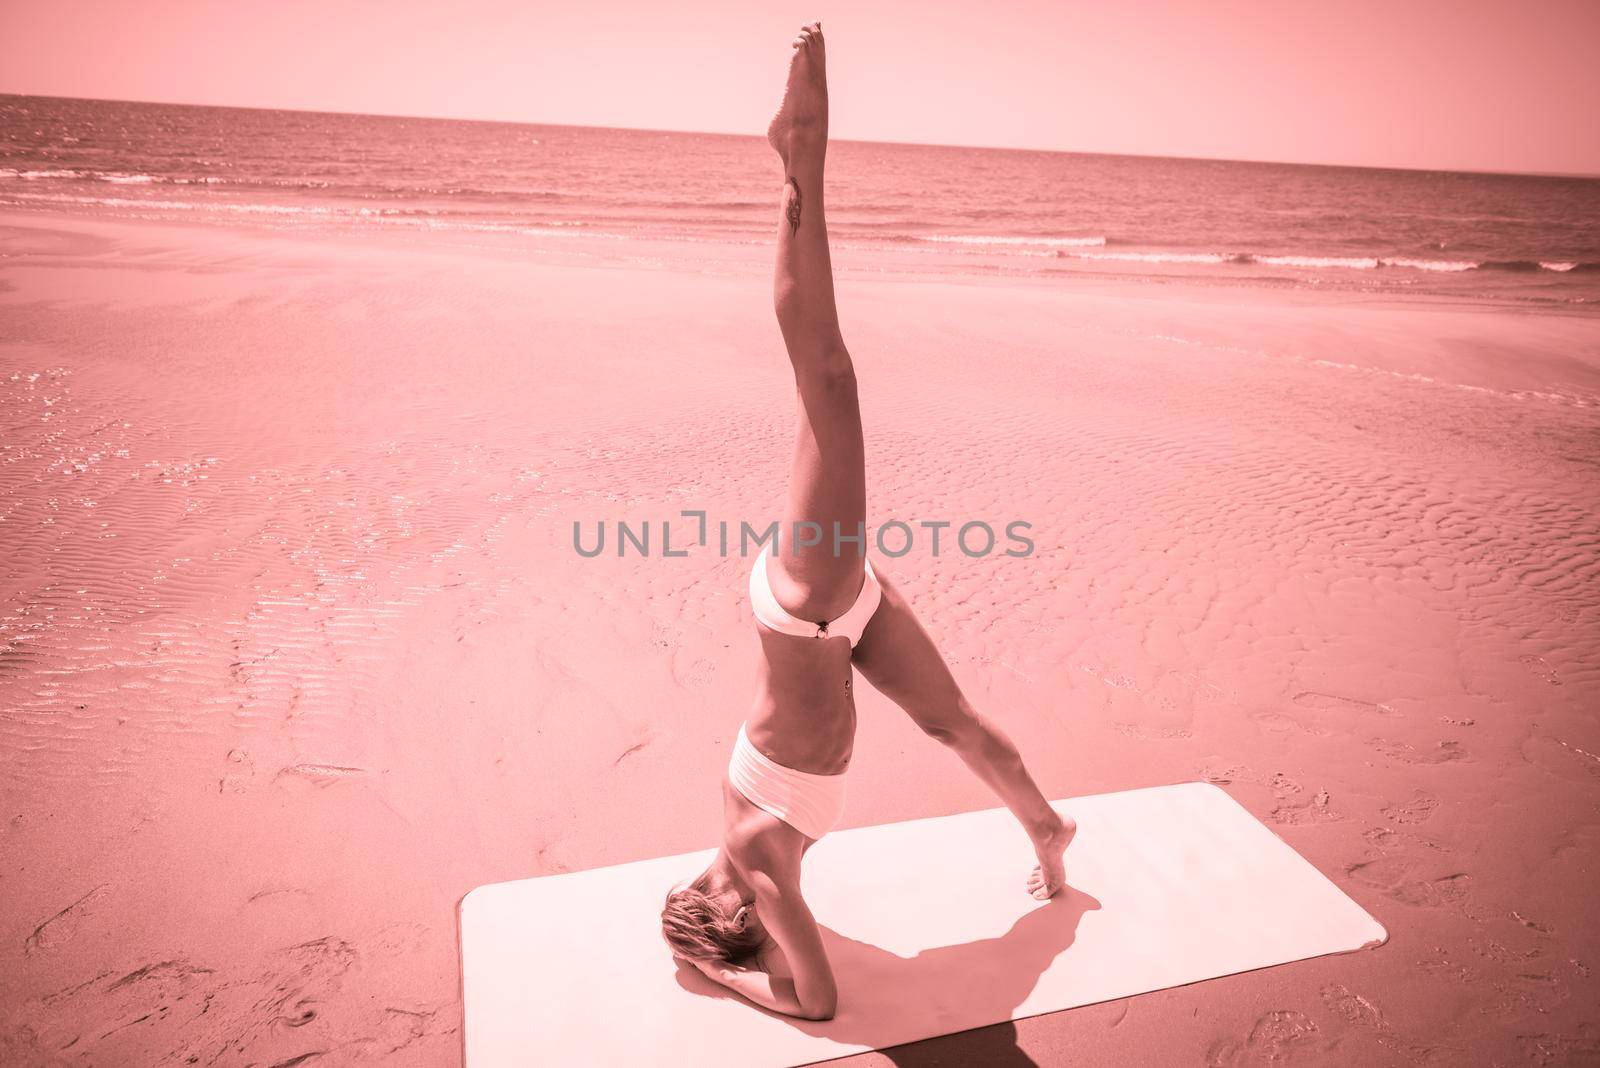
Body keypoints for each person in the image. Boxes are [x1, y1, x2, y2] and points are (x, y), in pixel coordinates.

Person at [660, 22, 1074, 1022]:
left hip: (806, 608)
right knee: (955, 725)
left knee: (830, 382)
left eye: (703, 900)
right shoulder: (763, 874)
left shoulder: (755, 860)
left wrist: (723, 973)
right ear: (738, 919)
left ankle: (799, 156)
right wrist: (735, 965)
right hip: (847, 630)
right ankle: (1049, 831)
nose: (708, 886)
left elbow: (815, 1006)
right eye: (712, 907)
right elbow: (812, 993)